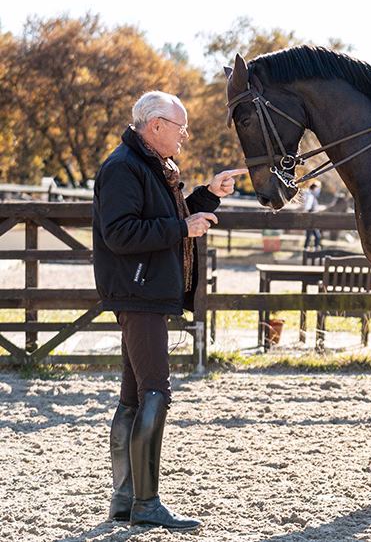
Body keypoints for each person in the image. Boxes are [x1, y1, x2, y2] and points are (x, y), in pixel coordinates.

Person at [92, 91, 247, 529]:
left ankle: (125, 500)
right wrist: (183, 227)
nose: (184, 134)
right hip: (138, 293)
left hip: (142, 292)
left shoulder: (147, 165)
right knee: (155, 392)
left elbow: (166, 215)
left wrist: (207, 196)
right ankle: (146, 504)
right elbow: (121, 233)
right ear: (156, 125)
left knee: (132, 398)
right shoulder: (125, 166)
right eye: (180, 126)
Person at [303, 182, 323, 251]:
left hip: (312, 217)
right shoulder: (310, 196)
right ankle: (313, 247)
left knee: (313, 233)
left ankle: (311, 247)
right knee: (312, 233)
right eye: (318, 188)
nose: (318, 190)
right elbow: (307, 207)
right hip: (311, 216)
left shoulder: (310, 195)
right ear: (314, 188)